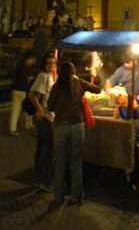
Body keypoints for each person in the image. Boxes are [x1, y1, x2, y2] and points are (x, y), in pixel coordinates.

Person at [46, 60, 101, 205]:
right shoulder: (79, 82)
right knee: (76, 163)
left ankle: (58, 197)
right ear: (73, 71)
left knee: (60, 162)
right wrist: (95, 76)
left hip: (61, 127)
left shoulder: (57, 86)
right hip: (77, 125)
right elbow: (97, 89)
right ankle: (76, 196)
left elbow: (50, 106)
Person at [27, 54, 58, 191]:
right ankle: (45, 181)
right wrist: (39, 109)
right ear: (44, 64)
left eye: (53, 63)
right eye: (48, 63)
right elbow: (31, 94)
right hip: (45, 118)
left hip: (48, 116)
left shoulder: (51, 77)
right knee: (48, 151)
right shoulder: (43, 76)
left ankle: (38, 178)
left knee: (42, 149)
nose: (51, 65)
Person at [10, 52, 38, 136]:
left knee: (15, 111)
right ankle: (28, 125)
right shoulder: (28, 69)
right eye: (33, 60)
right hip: (24, 91)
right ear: (29, 60)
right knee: (28, 108)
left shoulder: (19, 67)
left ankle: (12, 129)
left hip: (15, 90)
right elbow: (29, 80)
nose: (34, 61)